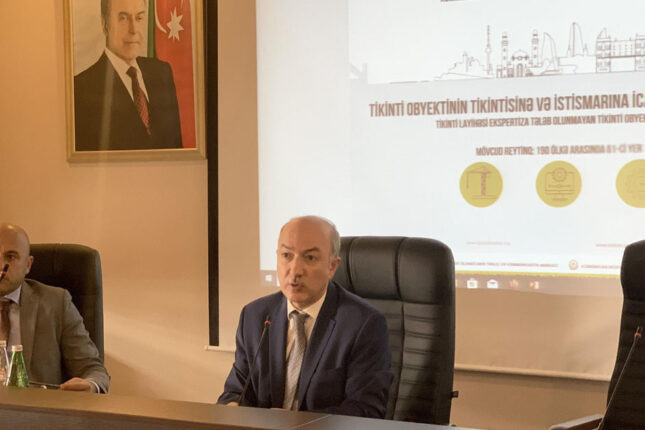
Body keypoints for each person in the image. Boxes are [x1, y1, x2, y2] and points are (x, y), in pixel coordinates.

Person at [218, 216, 392, 417]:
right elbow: (235, 392)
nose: (294, 270)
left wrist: (295, 425)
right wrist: (233, 408)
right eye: (286, 255)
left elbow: (366, 411)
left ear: (332, 267)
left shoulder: (364, 324)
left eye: (309, 258)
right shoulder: (255, 316)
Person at [0, 223, 109, 392]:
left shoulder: (56, 303)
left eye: (11, 257)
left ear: (28, 264)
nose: (1, 265)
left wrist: (90, 385)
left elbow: (93, 371)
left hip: (34, 407)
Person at [74, 0, 182, 151]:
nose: (134, 29)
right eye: (123, 18)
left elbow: (176, 149)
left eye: (139, 18)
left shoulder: (162, 73)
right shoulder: (80, 89)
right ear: (105, 25)